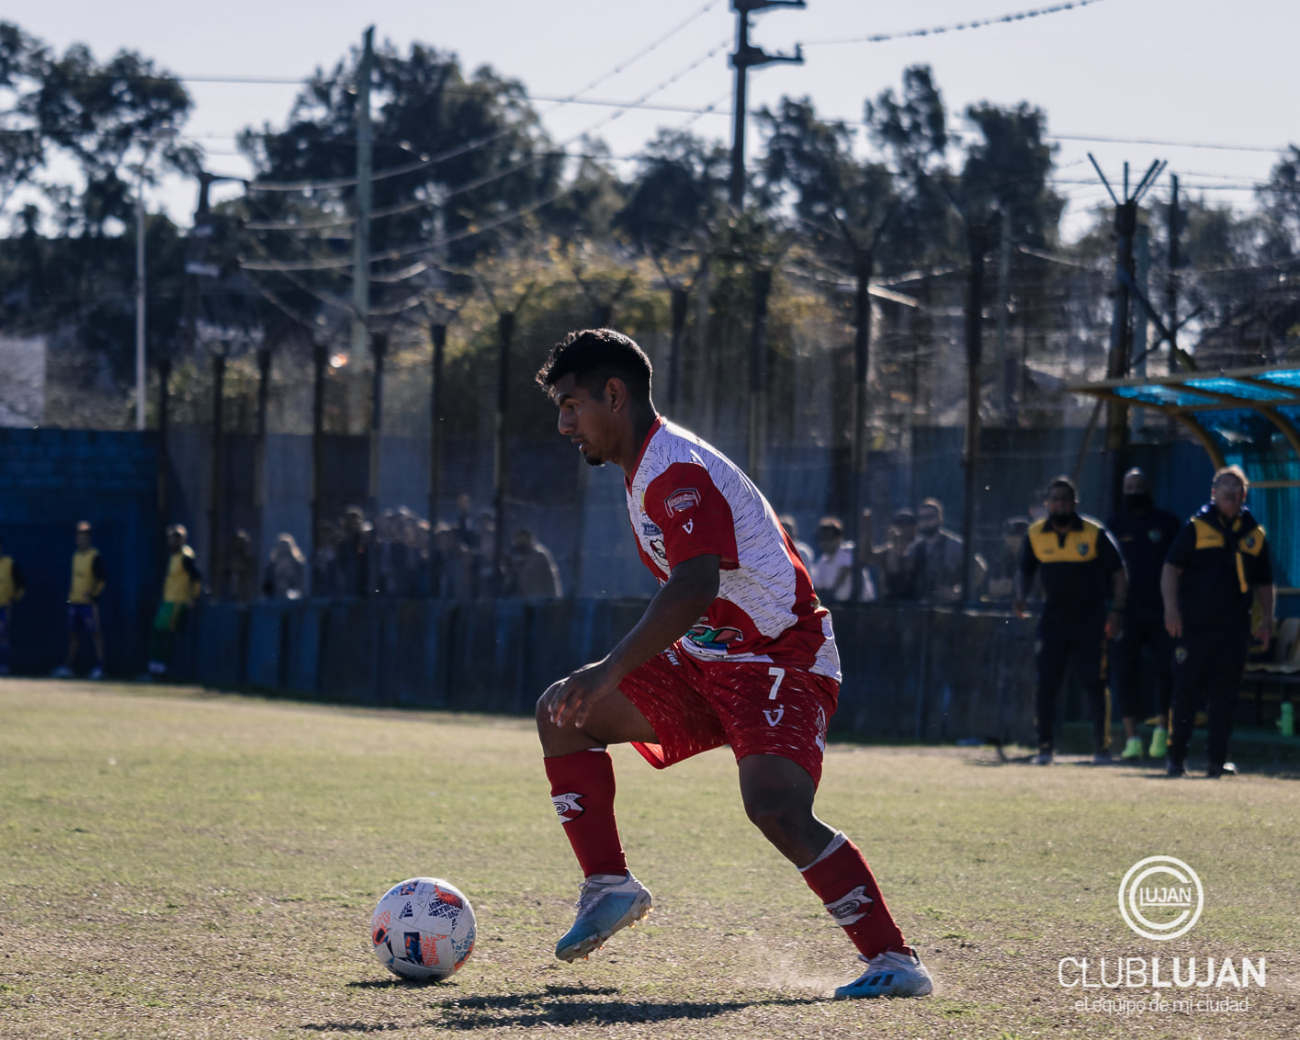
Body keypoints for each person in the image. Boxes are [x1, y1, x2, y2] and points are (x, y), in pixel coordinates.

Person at [532, 329, 933, 1000]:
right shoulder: (647, 468)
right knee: (562, 714)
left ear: (614, 394)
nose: (564, 424)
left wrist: (608, 668)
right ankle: (608, 883)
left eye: (572, 405)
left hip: (781, 658)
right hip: (710, 660)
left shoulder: (677, 471)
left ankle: (894, 960)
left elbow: (694, 587)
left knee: (775, 806)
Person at [1162, 466, 1274, 778]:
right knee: (1186, 693)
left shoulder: (1253, 534)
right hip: (1194, 627)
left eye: (1237, 494)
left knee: (1225, 696)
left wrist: (1267, 621)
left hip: (1235, 628)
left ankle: (1216, 761)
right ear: (1214, 494)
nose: (1231, 499)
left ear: (1244, 496)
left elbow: (1264, 582)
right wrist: (1171, 610)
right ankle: (1176, 758)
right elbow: (1170, 570)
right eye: (1225, 493)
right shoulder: (1196, 528)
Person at [1015, 477, 1127, 765]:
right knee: (1046, 684)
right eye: (1054, 500)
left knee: (1095, 682)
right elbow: (1024, 570)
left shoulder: (1094, 532)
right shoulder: (1036, 534)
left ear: (1074, 503)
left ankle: (1101, 749)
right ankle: (1044, 747)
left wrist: (1116, 611)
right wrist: (1021, 596)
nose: (1059, 504)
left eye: (1065, 499)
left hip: (1090, 620)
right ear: (1046, 503)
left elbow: (1118, 573)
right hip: (1053, 619)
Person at [1105, 468, 1182, 760]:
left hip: (1163, 612)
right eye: (1129, 487)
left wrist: (1175, 607)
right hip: (1128, 613)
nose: (1135, 492)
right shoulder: (1113, 525)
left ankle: (1163, 732)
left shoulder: (1167, 522)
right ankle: (1132, 738)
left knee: (1168, 670)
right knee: (1126, 672)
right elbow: (1108, 573)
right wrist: (1114, 610)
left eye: (1140, 486)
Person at [146, 525, 203, 679]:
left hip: (177, 602)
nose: (172, 541)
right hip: (168, 601)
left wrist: (194, 598)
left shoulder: (186, 556)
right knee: (158, 633)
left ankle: (160, 671)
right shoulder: (174, 555)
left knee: (164, 635)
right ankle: (155, 668)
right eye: (171, 537)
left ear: (182, 540)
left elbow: (197, 578)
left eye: (176, 538)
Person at [54, 521, 106, 679]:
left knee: (95, 634)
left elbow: (102, 579)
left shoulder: (94, 555)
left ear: (89, 539)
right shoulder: (75, 556)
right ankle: (68, 667)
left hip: (89, 604)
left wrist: (94, 595)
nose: (81, 540)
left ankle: (100, 667)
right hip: (73, 602)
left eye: (85, 537)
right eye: (79, 537)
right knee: (73, 635)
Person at [907, 499, 985, 604]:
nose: (925, 521)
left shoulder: (954, 545)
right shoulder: (915, 547)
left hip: (950, 608)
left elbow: (980, 568)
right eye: (922, 518)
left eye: (930, 517)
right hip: (922, 608)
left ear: (940, 518)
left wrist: (961, 592)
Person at [810, 517, 875, 603]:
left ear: (839, 538)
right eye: (822, 538)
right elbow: (816, 586)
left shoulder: (848, 550)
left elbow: (844, 572)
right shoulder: (822, 561)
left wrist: (830, 593)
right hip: (841, 607)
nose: (825, 542)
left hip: (863, 606)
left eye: (829, 538)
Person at [864, 508, 919, 602]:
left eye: (906, 526)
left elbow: (896, 568)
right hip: (890, 605)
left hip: (914, 605)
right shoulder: (888, 550)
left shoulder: (918, 548)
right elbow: (867, 558)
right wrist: (867, 526)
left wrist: (896, 544)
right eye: (898, 525)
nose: (902, 529)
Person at [0, 533, 26, 676]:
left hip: (3, 607)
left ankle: (3, 666)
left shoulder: (9, 563)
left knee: (2, 636)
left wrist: (14, 599)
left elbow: (22, 585)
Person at [510, 529, 563, 598]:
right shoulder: (516, 560)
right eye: (520, 544)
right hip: (523, 604)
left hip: (540, 603)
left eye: (524, 543)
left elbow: (551, 582)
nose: (522, 547)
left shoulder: (540, 556)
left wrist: (554, 602)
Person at [986, 518, 1030, 601]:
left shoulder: (1032, 558)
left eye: (1016, 536)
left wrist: (1010, 586)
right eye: (1009, 536)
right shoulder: (1002, 558)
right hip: (1004, 604)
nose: (1011, 539)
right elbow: (991, 587)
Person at [263, 533, 306, 600]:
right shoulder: (271, 566)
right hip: (274, 597)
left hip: (292, 598)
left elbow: (299, 583)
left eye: (285, 547)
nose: (283, 549)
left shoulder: (296, 565)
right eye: (281, 547)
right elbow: (267, 583)